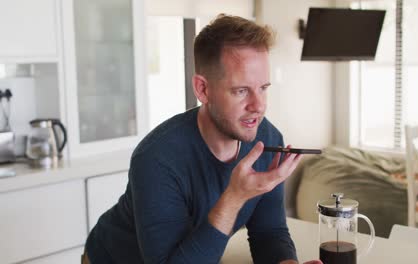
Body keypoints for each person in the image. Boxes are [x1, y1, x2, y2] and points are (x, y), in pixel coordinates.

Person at [83, 14, 321, 264]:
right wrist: (235, 196)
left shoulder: (268, 138)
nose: (259, 106)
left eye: (263, 88)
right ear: (203, 90)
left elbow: (269, 232)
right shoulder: (157, 158)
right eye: (241, 91)